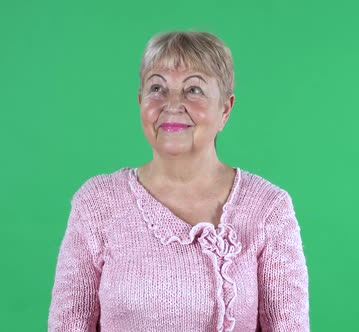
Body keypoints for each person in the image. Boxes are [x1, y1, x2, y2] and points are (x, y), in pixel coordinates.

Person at [47, 30, 309, 332]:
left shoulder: (268, 208)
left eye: (193, 90)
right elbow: (68, 325)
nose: (172, 104)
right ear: (140, 101)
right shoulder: (96, 203)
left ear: (225, 108)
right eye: (157, 87)